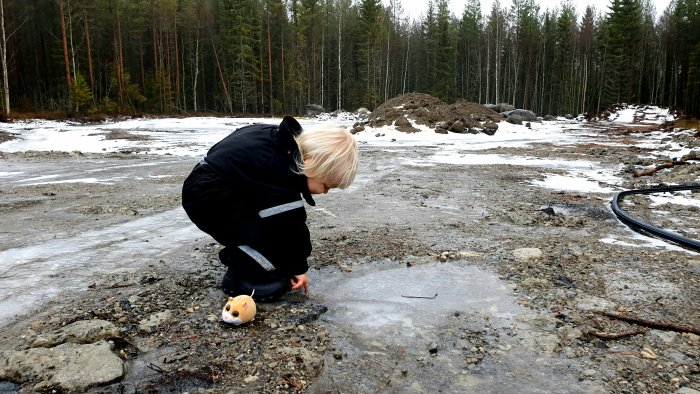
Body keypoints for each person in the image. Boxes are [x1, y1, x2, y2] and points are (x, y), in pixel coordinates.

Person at [182, 116, 358, 300]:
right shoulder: (281, 175)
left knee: (266, 225)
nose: (326, 192)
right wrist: (299, 269)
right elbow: (291, 228)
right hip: (207, 196)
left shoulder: (277, 140)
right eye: (326, 186)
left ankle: (244, 260)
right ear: (310, 163)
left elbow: (231, 143)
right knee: (267, 234)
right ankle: (239, 274)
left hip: (207, 179)